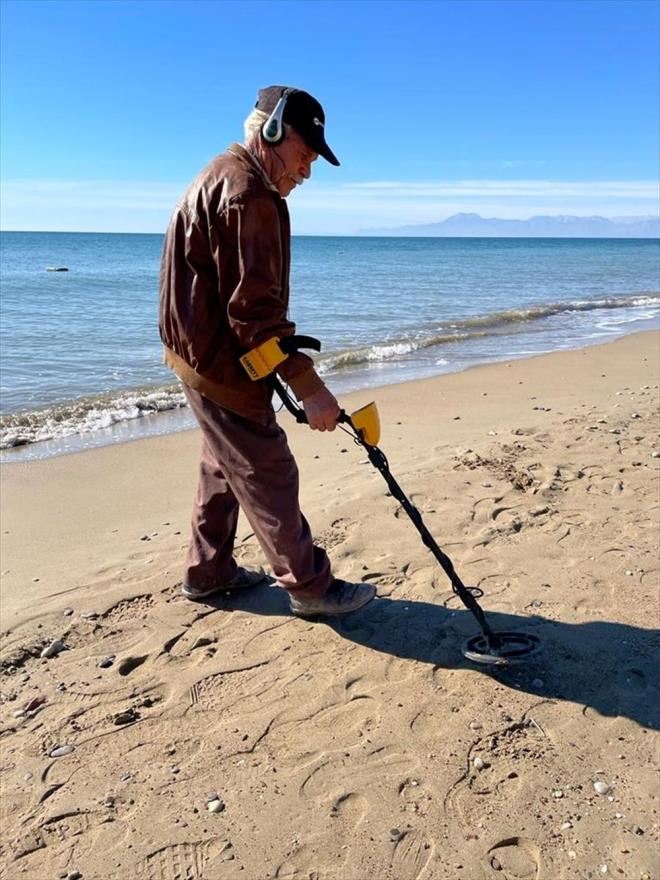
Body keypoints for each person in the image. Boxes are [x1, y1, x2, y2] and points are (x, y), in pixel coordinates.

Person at [158, 85, 376, 617]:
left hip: (199, 353)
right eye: (304, 156)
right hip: (218, 361)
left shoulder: (228, 175)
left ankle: (208, 572)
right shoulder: (247, 193)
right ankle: (311, 587)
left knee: (224, 460)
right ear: (273, 133)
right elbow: (252, 314)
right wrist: (311, 388)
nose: (306, 172)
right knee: (267, 466)